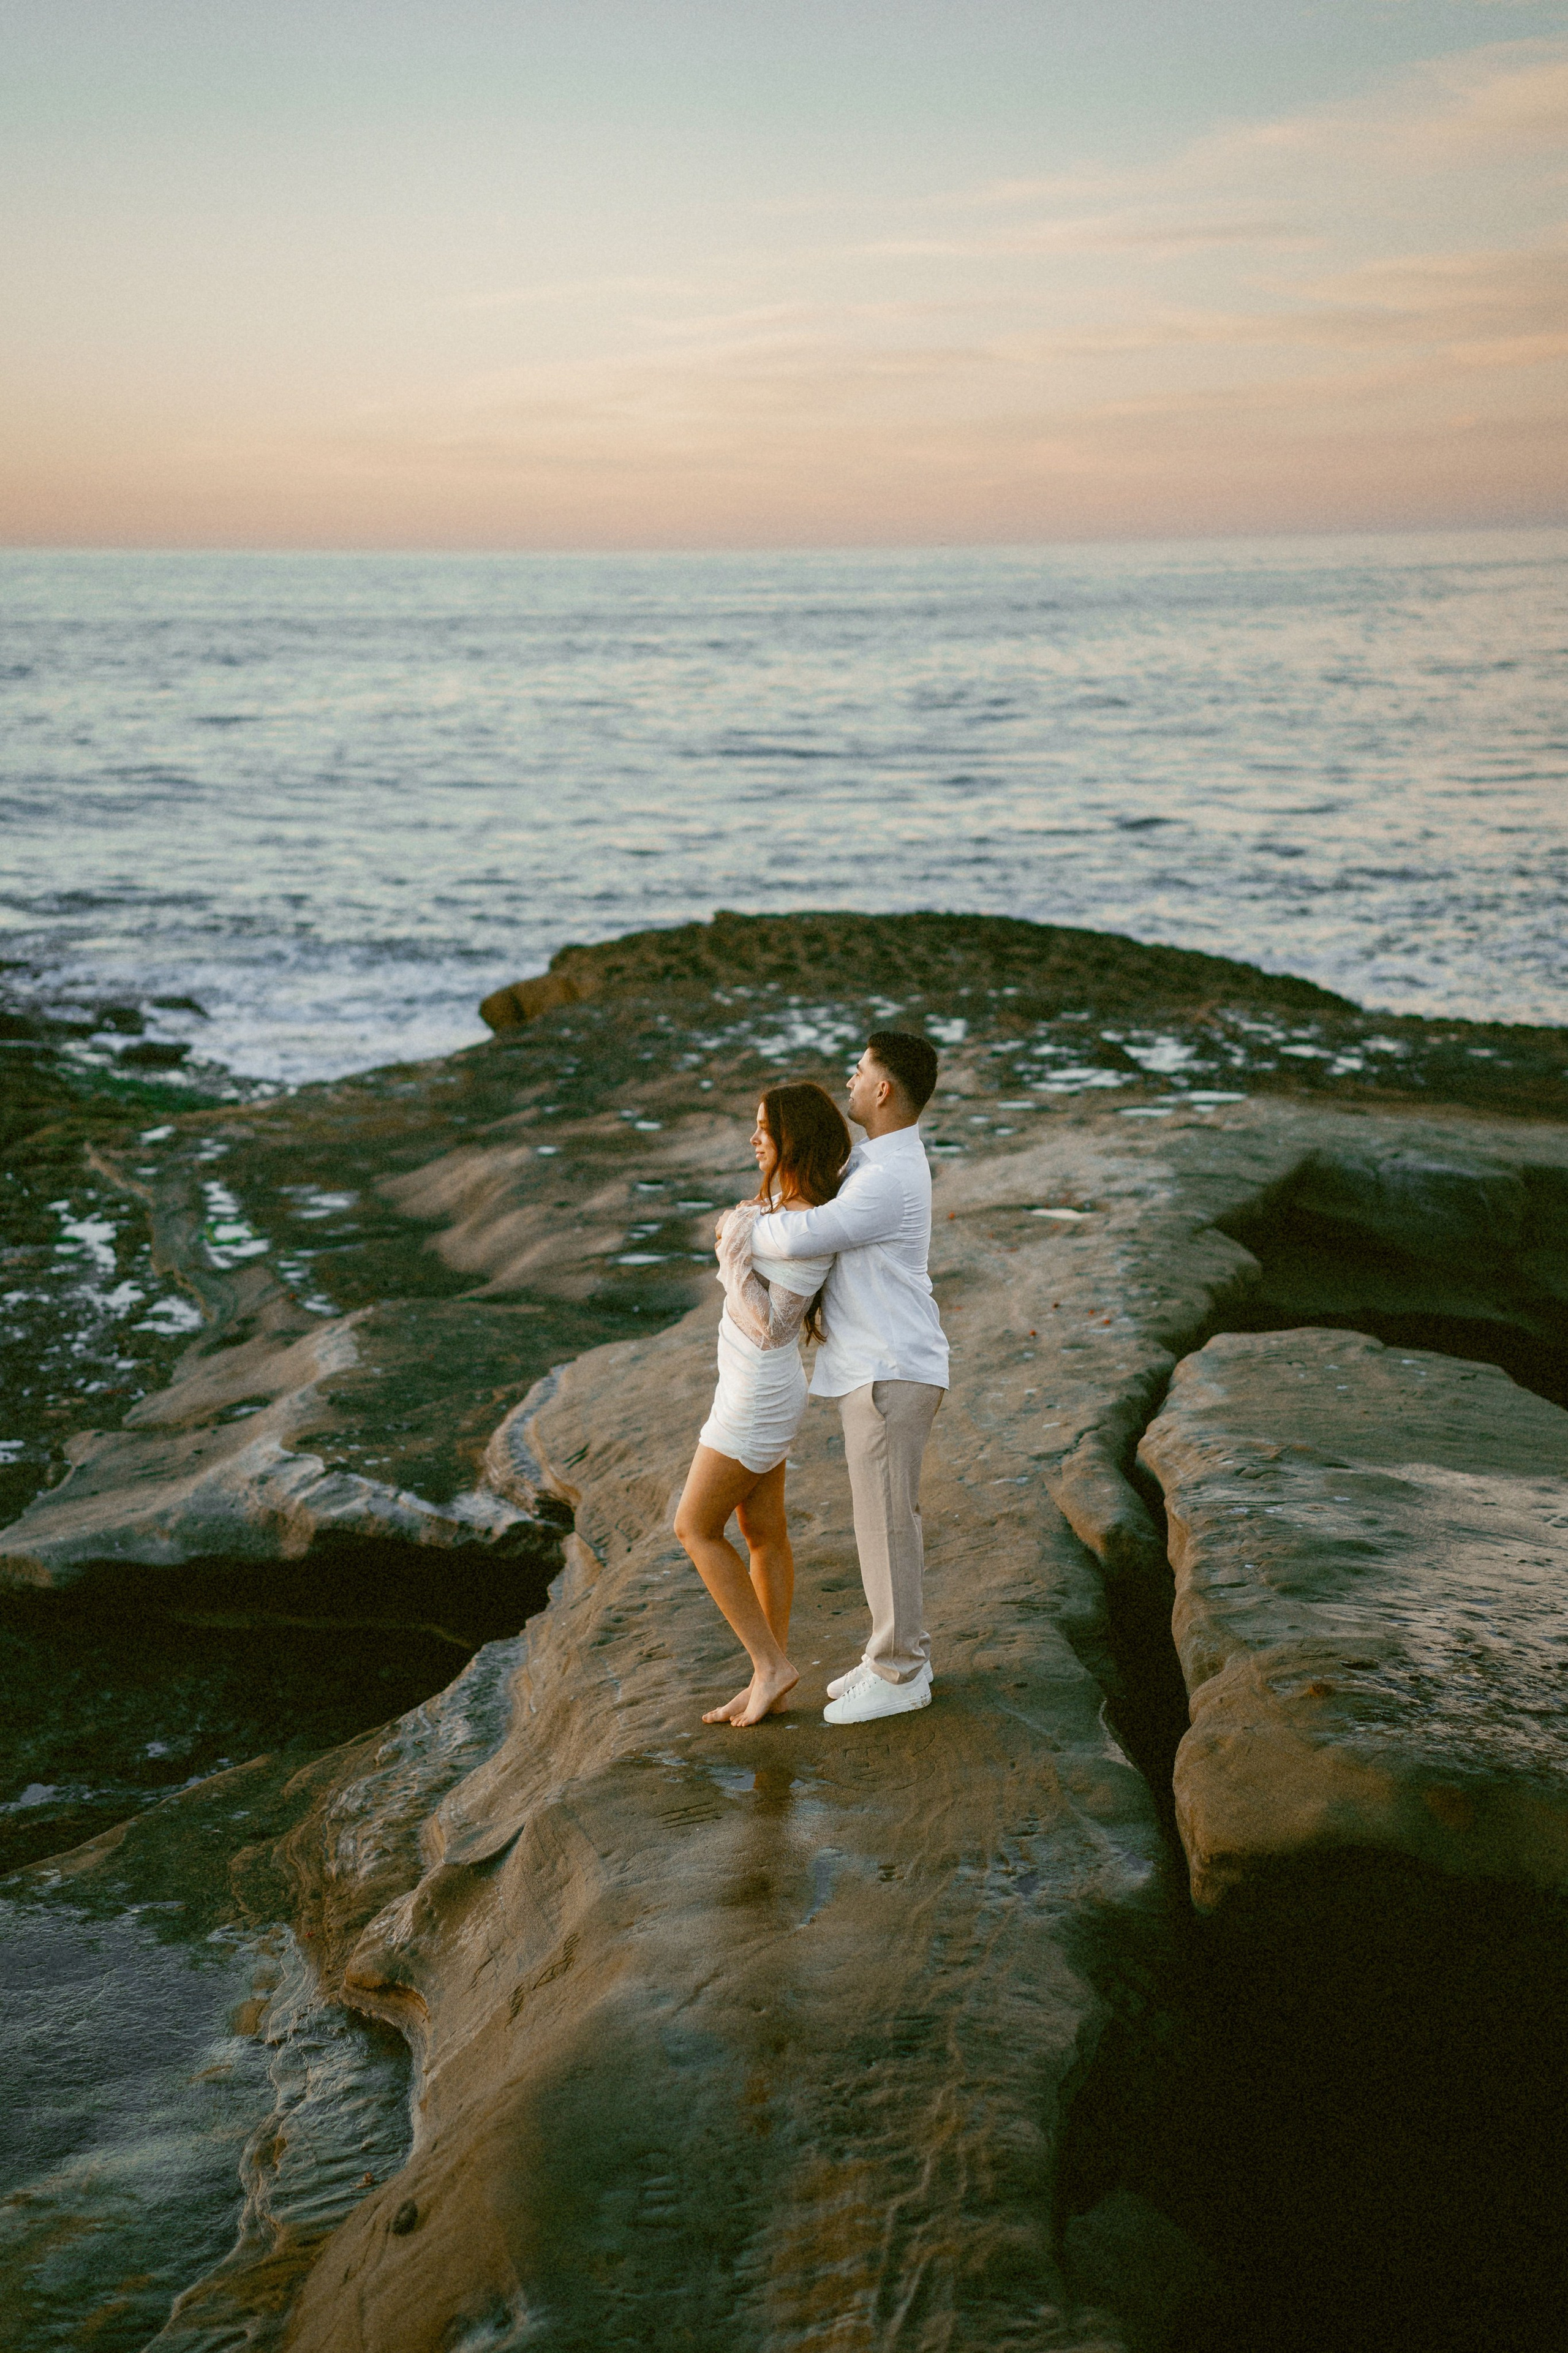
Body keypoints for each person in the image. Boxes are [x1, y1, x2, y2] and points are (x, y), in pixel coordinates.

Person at [745, 1032, 948, 1726]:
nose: (851, 1081)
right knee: (881, 1519)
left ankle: (902, 1672)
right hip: (881, 1368)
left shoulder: (888, 1177)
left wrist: (743, 1227)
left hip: (892, 1370)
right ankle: (888, 1653)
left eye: (859, 1072)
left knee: (889, 1521)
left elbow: (801, 1236)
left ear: (884, 1088)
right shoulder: (872, 1162)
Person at [673, 1081, 851, 1728]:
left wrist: (731, 1252)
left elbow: (773, 1326)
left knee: (694, 1527)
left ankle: (771, 1664)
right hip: (757, 1388)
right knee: (762, 1533)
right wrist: (746, 1229)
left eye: (764, 1130)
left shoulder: (799, 1228)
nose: (753, 1139)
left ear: (792, 1141)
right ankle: (765, 1676)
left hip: (756, 1394)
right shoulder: (782, 1215)